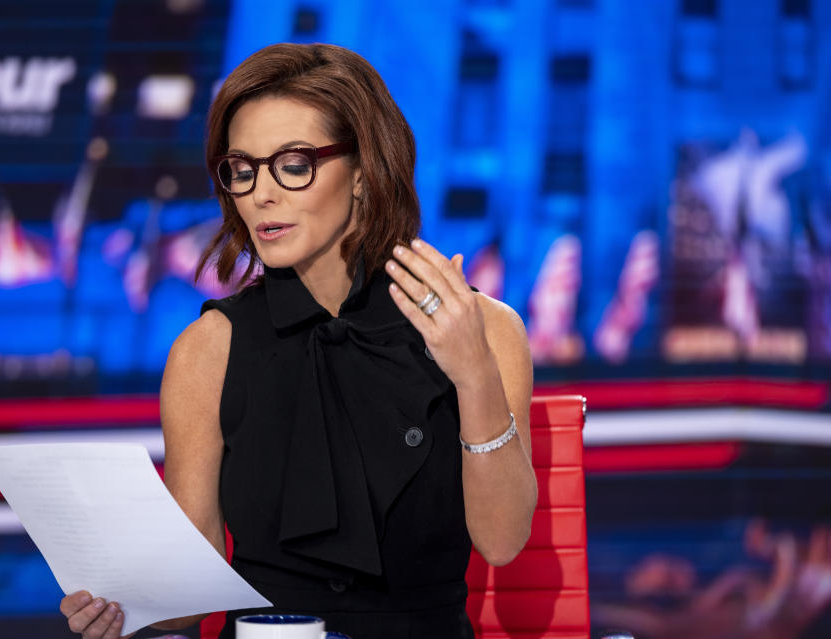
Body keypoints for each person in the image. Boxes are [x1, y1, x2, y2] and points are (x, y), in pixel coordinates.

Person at [59, 42, 536, 639]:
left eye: (292, 164)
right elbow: (188, 594)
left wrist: (474, 373)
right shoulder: (208, 349)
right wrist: (122, 606)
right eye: (242, 168)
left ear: (364, 172)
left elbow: (502, 540)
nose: (261, 194)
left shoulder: (485, 327)